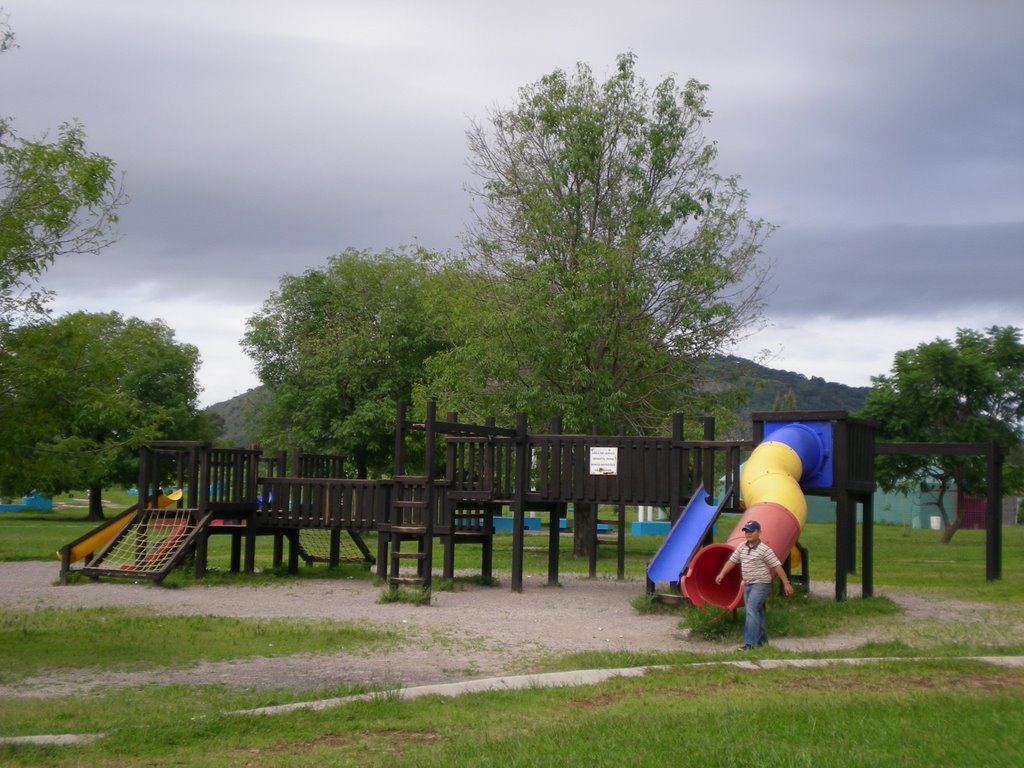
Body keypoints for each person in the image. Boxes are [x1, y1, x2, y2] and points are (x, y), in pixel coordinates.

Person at [714, 520, 794, 650]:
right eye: (746, 531)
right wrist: (722, 573)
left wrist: (786, 583)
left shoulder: (764, 549)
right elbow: (732, 561)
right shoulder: (742, 547)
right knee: (757, 613)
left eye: (752, 531)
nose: (748, 534)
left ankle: (749, 644)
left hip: (761, 584)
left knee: (751, 610)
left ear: (759, 532)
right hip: (748, 584)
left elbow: (777, 566)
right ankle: (763, 644)